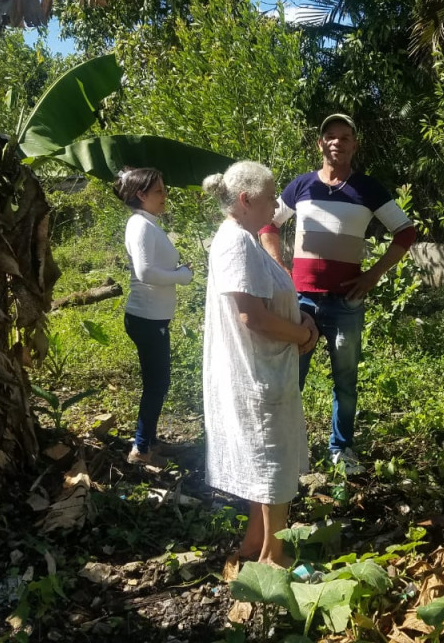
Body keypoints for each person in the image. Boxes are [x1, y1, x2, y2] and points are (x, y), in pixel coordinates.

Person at [259, 113, 417, 474]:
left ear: (354, 145)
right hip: (300, 301)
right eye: (330, 136)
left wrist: (374, 274)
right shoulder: (301, 186)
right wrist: (279, 268)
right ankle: (287, 446)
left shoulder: (368, 188)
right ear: (320, 143)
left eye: (345, 137)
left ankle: (341, 449)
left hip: (347, 303)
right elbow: (268, 223)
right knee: (291, 377)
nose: (337, 142)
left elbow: (406, 232)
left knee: (345, 382)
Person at [202, 161, 318, 566]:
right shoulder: (236, 242)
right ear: (246, 200)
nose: (276, 205)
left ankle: (254, 543)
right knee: (273, 461)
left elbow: (267, 301)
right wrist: (301, 335)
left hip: (266, 367)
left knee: (264, 458)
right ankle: (273, 557)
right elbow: (252, 315)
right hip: (257, 373)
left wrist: (301, 322)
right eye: (270, 197)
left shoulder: (245, 239)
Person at [113, 167, 194, 465]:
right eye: (158, 191)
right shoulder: (141, 226)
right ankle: (141, 449)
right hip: (147, 318)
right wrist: (181, 276)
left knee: (157, 383)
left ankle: (149, 440)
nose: (165, 196)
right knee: (157, 384)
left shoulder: (147, 223)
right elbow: (145, 272)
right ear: (141, 194)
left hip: (152, 317)